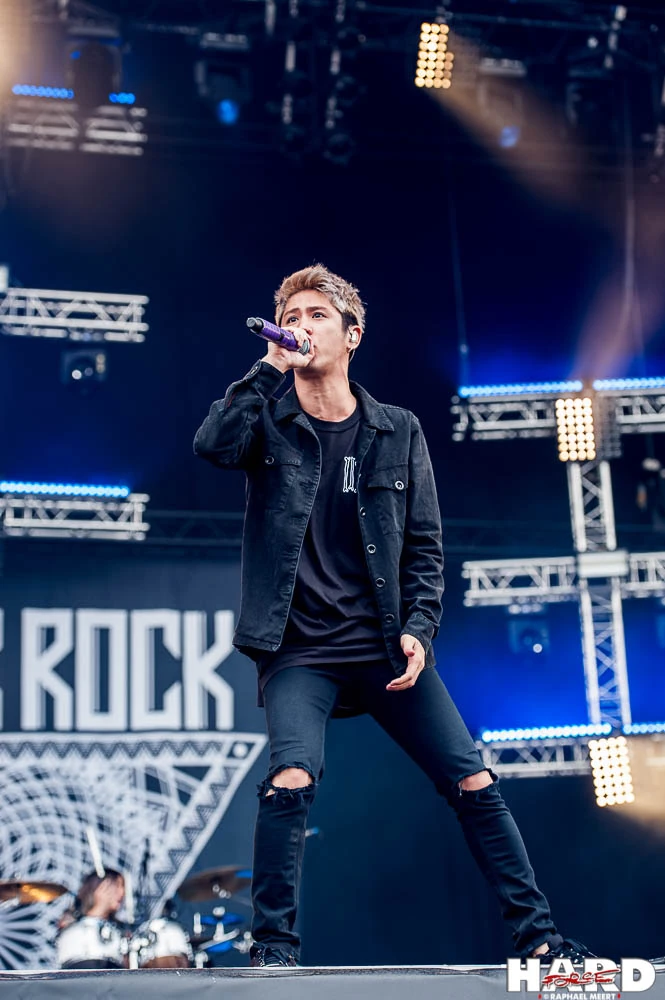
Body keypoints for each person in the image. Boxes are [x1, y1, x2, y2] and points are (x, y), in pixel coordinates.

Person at [194, 264, 592, 969]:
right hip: (298, 648)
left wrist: (419, 629)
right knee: (292, 775)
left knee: (473, 780)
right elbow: (212, 444)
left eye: (316, 315)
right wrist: (268, 369)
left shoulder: (396, 430)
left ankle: (540, 939)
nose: (300, 325)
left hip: (381, 642)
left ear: (352, 335)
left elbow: (426, 545)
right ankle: (274, 951)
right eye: (292, 316)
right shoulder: (268, 424)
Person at [57, 870, 127, 969]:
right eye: (117, 886)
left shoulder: (121, 929)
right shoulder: (71, 920)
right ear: (100, 887)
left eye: (123, 887)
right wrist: (99, 907)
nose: (122, 893)